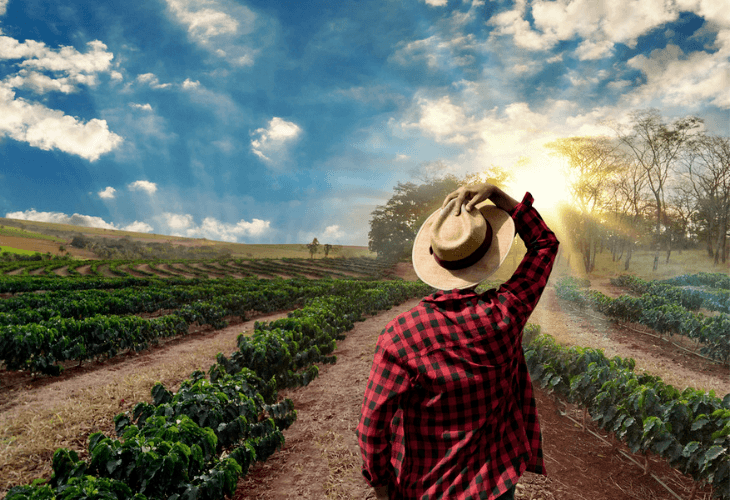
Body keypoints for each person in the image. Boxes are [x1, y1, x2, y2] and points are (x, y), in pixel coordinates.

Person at [356, 182, 559, 500]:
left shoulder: (400, 337)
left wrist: (381, 485)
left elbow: (372, 426)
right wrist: (498, 195)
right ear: (488, 256)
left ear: (434, 259)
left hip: (431, 488)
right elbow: (545, 244)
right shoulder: (505, 314)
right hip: (495, 482)